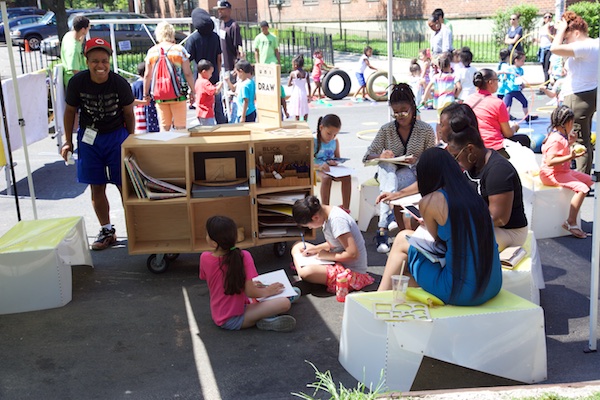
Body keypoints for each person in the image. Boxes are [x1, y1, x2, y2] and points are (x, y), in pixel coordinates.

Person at [377, 147, 502, 307]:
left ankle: (379, 296)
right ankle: (394, 291)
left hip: (461, 292)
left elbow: (437, 242)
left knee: (402, 239)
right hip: (492, 284)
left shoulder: (430, 201)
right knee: (406, 270)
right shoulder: (472, 195)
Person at [61, 38, 135, 251]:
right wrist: (67, 140)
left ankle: (134, 227)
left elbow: (129, 113)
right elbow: (69, 112)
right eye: (95, 61)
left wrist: (130, 140)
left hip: (116, 136)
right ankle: (106, 230)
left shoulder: (119, 83)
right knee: (97, 184)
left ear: (109, 61)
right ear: (87, 61)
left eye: (104, 60)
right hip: (89, 137)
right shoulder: (78, 83)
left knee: (124, 184)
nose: (100, 65)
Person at [443, 103, 528, 251]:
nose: (457, 162)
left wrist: (452, 220)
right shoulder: (472, 163)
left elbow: (498, 218)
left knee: (451, 243)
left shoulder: (499, 171)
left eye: (456, 157)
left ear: (470, 149)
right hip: (484, 226)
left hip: (509, 233)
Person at [363, 83, 436, 253]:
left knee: (394, 178)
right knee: (388, 167)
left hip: (412, 174)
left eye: (404, 111)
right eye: (395, 112)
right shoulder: (386, 130)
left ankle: (383, 227)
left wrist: (419, 160)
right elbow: (367, 157)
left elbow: (432, 160)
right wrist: (381, 156)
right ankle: (386, 220)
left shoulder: (425, 130)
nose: (399, 116)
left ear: (412, 107)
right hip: (387, 174)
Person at [200, 215, 296, 332]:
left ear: (214, 243)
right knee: (284, 303)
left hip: (223, 315)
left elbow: (218, 280)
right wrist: (268, 291)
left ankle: (267, 313)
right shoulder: (244, 256)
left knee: (278, 294)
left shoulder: (204, 258)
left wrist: (251, 284)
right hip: (235, 318)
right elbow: (251, 293)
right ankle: (267, 318)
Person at [290, 196, 374, 294]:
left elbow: (353, 254)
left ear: (315, 218)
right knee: (298, 246)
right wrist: (315, 249)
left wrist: (326, 255)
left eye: (309, 226)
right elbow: (334, 243)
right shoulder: (326, 214)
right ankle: (312, 280)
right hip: (335, 260)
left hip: (351, 272)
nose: (310, 227)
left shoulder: (337, 221)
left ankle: (309, 279)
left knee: (306, 272)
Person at [551, 10, 599, 174]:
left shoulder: (584, 45)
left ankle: (582, 181)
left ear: (576, 33)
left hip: (578, 96)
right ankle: (577, 174)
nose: (565, 41)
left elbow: (554, 48)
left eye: (567, 37)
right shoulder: (593, 44)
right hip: (585, 94)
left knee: (579, 141)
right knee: (578, 138)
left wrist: (561, 29)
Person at [540, 106, 592, 239]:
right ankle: (571, 221)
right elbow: (550, 161)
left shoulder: (560, 136)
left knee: (589, 179)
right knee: (583, 188)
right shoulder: (556, 139)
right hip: (552, 174)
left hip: (562, 170)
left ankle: (574, 210)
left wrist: (570, 143)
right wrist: (571, 157)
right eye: (572, 123)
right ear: (568, 123)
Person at [465, 69, 529, 158]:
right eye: (497, 80)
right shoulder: (497, 103)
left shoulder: (467, 100)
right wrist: (515, 128)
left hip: (473, 145)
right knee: (524, 139)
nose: (498, 83)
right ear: (490, 82)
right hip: (494, 147)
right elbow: (508, 133)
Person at [143, 21, 195, 131]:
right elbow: (188, 73)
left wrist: (145, 94)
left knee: (164, 127)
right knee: (181, 127)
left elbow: (147, 75)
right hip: (178, 95)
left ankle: (165, 147)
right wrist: (193, 90)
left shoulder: (151, 52)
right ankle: (181, 147)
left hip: (160, 96)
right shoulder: (179, 50)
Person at [185, 8, 226, 124]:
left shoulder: (193, 39)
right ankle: (223, 127)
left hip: (200, 79)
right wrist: (217, 73)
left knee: (203, 105)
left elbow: (187, 59)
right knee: (218, 106)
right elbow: (219, 57)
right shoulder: (215, 37)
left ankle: (205, 127)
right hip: (213, 76)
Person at [313, 114, 351, 212]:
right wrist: (319, 166)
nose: (331, 137)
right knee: (326, 179)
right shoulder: (313, 141)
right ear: (321, 128)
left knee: (347, 177)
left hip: (331, 169)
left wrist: (335, 162)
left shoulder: (335, 141)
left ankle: (346, 209)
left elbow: (337, 157)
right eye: (329, 133)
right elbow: (307, 162)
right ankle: (325, 209)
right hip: (317, 169)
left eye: (335, 134)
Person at [503, 51, 537, 122]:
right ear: (516, 60)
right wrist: (505, 76)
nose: (523, 63)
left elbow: (519, 79)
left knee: (524, 101)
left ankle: (527, 116)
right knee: (507, 105)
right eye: (522, 61)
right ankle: (505, 119)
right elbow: (504, 72)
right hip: (509, 90)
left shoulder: (521, 70)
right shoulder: (510, 68)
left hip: (517, 90)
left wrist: (522, 84)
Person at [60, 15, 90, 87]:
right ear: (83, 29)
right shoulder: (73, 49)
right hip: (75, 83)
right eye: (88, 27)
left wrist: (83, 34)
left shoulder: (68, 36)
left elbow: (79, 42)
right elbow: (75, 71)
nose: (89, 28)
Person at [131, 62, 159, 134]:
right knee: (154, 130)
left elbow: (132, 99)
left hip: (139, 110)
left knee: (141, 131)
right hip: (153, 108)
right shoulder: (152, 83)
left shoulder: (135, 84)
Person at [194, 59, 224, 126]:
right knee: (209, 130)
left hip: (200, 112)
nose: (211, 75)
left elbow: (207, 90)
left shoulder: (198, 81)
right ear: (204, 72)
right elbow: (215, 91)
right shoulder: (205, 82)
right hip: (206, 112)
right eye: (210, 73)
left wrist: (214, 86)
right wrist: (220, 85)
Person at [287, 54, 311, 121]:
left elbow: (288, 84)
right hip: (303, 93)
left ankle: (297, 124)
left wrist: (294, 83)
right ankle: (305, 122)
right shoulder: (306, 74)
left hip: (296, 93)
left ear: (295, 65)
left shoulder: (293, 74)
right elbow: (309, 85)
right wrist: (309, 96)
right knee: (305, 109)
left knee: (296, 110)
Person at [537, 13, 555, 88]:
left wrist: (548, 29)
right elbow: (541, 40)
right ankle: (546, 83)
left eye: (549, 17)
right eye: (545, 17)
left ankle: (546, 84)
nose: (547, 18)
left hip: (548, 48)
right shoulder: (541, 28)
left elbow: (552, 39)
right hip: (542, 48)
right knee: (544, 67)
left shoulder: (552, 28)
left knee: (547, 66)